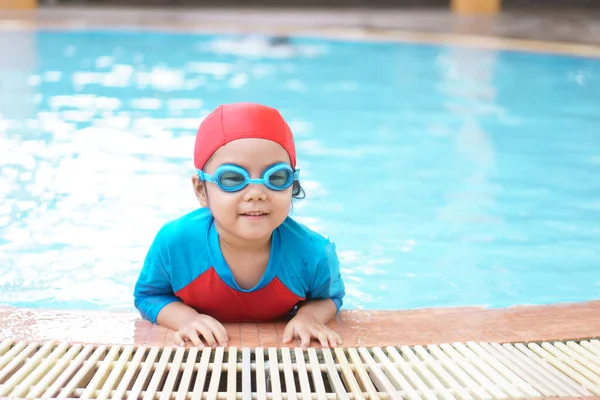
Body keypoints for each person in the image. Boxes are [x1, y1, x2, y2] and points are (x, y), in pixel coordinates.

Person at [134, 102, 345, 349]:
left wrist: (308, 318)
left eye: (276, 177)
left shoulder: (314, 252)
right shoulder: (175, 243)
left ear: (292, 185)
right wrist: (186, 319)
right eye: (233, 178)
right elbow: (149, 296)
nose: (256, 193)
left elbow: (330, 298)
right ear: (201, 189)